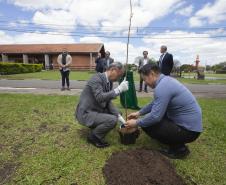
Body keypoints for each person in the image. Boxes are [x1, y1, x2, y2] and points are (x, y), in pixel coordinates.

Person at [125, 64, 202, 159]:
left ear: (152, 74)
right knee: (148, 120)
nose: (145, 83)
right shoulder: (166, 81)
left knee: (147, 124)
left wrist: (136, 123)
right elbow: (155, 103)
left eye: (144, 79)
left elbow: (155, 117)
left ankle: (179, 149)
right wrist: (139, 113)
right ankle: (174, 140)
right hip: (190, 127)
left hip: (189, 131)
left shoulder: (162, 87)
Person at [75, 62, 128, 148]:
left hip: (95, 109)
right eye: (119, 75)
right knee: (112, 120)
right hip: (86, 113)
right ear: (113, 70)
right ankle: (94, 137)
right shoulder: (96, 78)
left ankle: (97, 125)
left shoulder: (108, 82)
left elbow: (107, 101)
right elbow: (100, 97)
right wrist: (118, 90)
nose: (119, 79)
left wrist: (119, 117)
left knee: (117, 113)